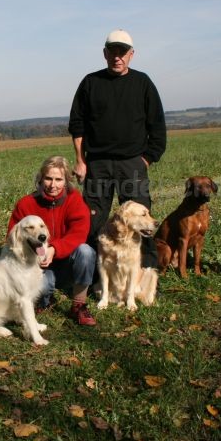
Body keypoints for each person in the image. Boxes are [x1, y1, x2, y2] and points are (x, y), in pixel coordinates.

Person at [68, 29, 167, 273]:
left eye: (122, 52)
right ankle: (92, 276)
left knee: (141, 221)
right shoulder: (91, 82)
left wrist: (145, 160)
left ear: (131, 54)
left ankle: (146, 274)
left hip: (132, 163)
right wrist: (81, 160)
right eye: (112, 51)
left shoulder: (142, 83)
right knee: (93, 220)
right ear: (105, 53)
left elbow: (157, 125)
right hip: (98, 163)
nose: (117, 57)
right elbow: (77, 125)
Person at [8, 156, 97, 326]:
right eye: (48, 178)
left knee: (86, 252)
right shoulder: (26, 204)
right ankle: (43, 301)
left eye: (59, 179)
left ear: (66, 181)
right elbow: (13, 238)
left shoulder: (74, 199)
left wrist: (54, 249)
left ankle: (79, 305)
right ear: (41, 179)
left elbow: (79, 233)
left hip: (68, 263)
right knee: (44, 287)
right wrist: (35, 257)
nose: (53, 185)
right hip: (38, 266)